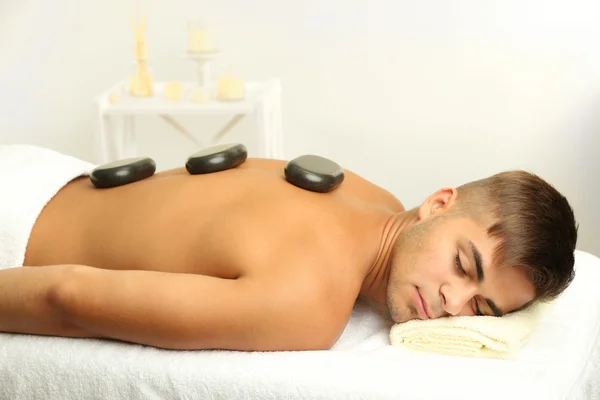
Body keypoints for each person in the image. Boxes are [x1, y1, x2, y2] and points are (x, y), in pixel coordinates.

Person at [0, 145, 578, 352]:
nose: (452, 303)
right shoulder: (307, 307)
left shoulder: (371, 195)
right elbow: (66, 295)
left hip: (49, 170)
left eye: (481, 310)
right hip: (15, 223)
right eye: (463, 264)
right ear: (438, 202)